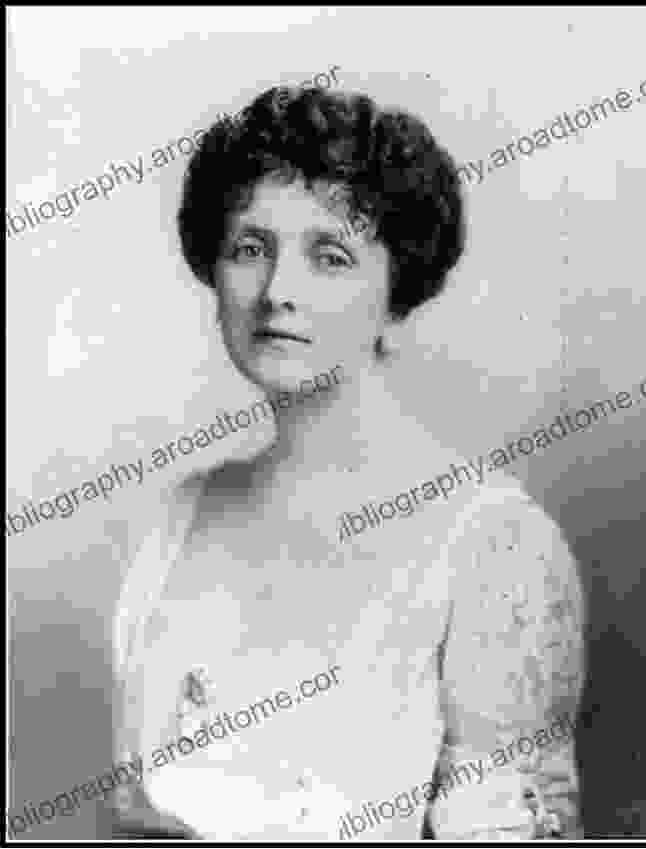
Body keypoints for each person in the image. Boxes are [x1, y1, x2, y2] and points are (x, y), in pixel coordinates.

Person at [111, 84, 585, 841]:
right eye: (249, 248)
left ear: (397, 298)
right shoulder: (172, 519)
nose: (278, 292)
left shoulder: (493, 546)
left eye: (329, 257)